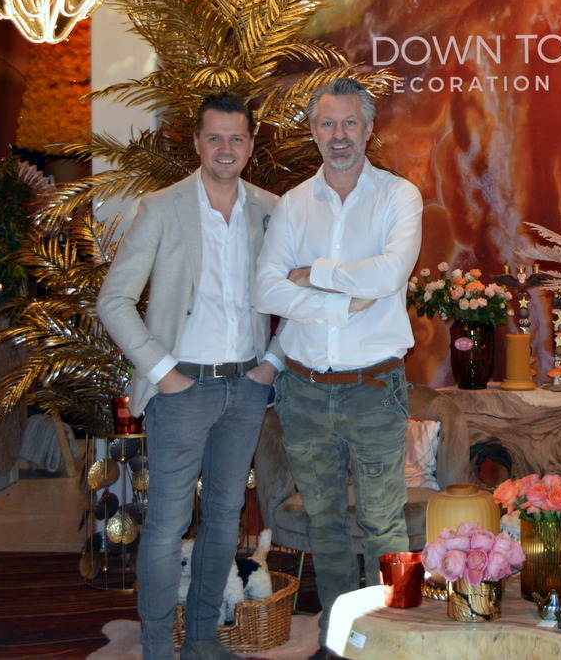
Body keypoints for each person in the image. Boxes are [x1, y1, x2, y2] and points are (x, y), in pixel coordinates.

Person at [98, 93, 281, 660]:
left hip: (245, 388)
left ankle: (201, 639)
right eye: (215, 137)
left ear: (250, 144)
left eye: (237, 138)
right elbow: (114, 299)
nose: (226, 148)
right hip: (181, 390)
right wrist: (163, 371)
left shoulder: (272, 210)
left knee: (225, 519)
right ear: (198, 142)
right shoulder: (162, 207)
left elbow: (299, 294)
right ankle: (157, 646)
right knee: (167, 524)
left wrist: (271, 363)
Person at [254, 77, 422, 659]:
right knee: (324, 525)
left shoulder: (399, 196)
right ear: (312, 131)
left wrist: (315, 274)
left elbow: (389, 274)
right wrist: (343, 302)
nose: (339, 135)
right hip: (303, 390)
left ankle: (399, 640)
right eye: (327, 123)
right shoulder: (293, 204)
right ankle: (341, 640)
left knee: (385, 524)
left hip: (374, 387)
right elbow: (266, 289)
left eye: (350, 122)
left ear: (369, 128)